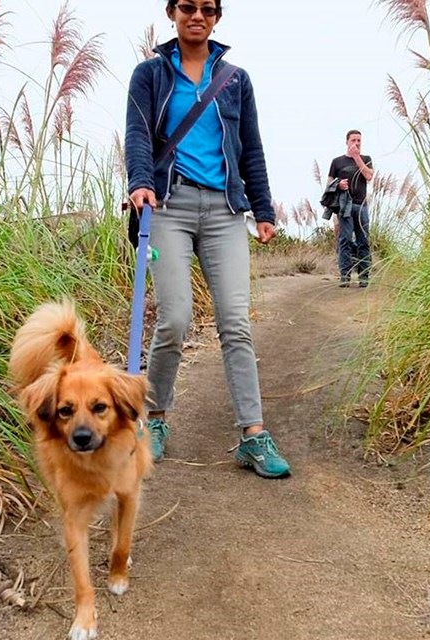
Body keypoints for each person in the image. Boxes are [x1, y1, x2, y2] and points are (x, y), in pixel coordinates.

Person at [124, 0, 290, 479]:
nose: (197, 16)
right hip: (168, 206)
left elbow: (250, 147)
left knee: (235, 324)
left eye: (208, 9)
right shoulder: (150, 74)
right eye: (188, 7)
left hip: (224, 209)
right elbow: (137, 134)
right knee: (174, 319)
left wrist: (262, 209)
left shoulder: (236, 78)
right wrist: (140, 181)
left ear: (218, 16)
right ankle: (153, 420)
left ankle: (253, 435)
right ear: (171, 12)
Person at [327, 130, 373, 287]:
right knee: (345, 240)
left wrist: (356, 157)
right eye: (353, 140)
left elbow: (368, 176)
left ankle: (364, 277)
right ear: (347, 142)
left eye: (359, 140)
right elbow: (329, 184)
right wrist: (338, 185)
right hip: (344, 206)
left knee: (363, 241)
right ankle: (345, 277)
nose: (357, 143)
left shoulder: (366, 159)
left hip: (361, 206)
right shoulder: (337, 162)